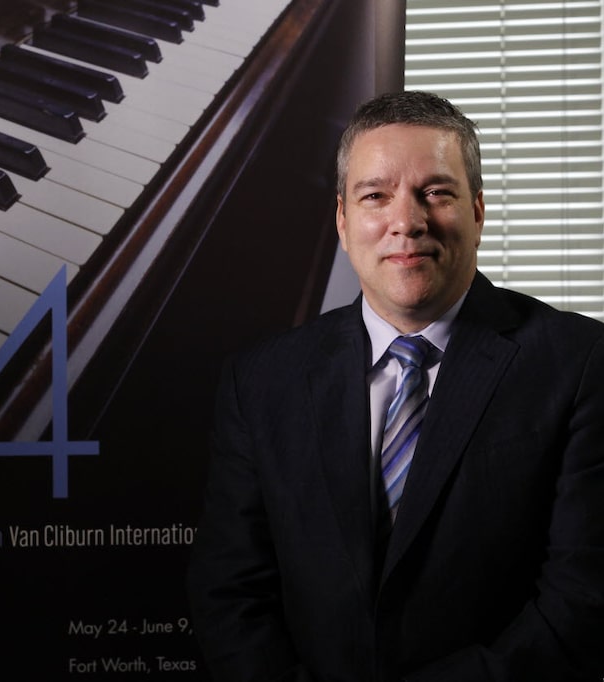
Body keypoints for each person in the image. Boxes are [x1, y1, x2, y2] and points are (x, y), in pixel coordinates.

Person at [186, 90, 604, 682]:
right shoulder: (260, 381)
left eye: (436, 192)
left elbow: (583, 600)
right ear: (342, 219)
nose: (406, 222)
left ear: (479, 211)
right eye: (375, 196)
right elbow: (229, 591)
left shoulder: (581, 363)